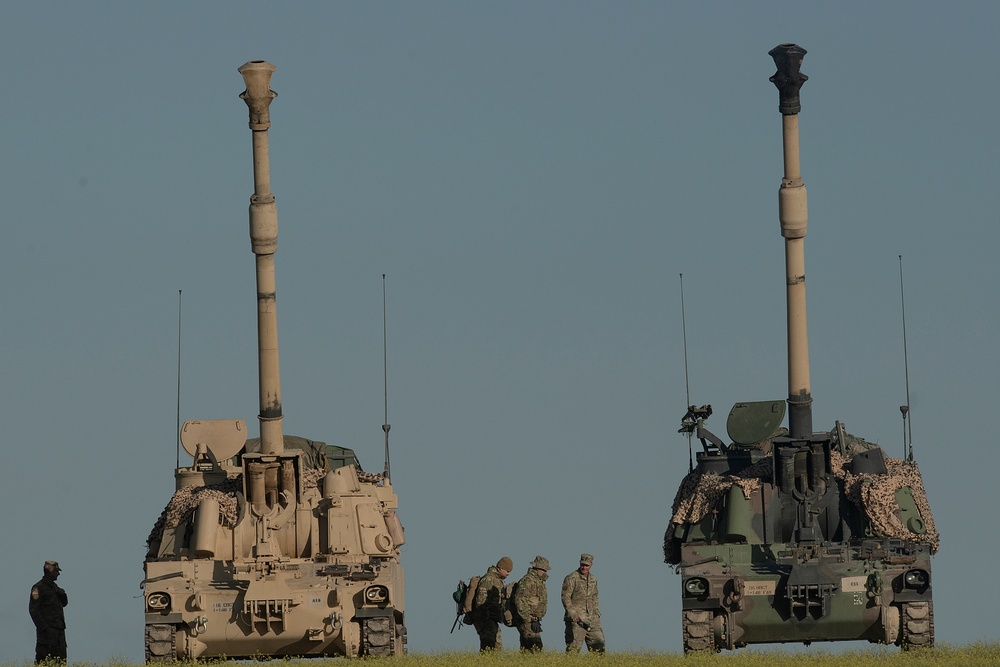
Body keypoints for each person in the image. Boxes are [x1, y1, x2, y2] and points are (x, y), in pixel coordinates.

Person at [561, 553, 605, 653]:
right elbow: (565, 597)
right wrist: (572, 613)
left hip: (592, 619)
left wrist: (596, 612)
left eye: (586, 565)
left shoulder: (593, 579)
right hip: (577, 620)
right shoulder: (572, 578)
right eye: (582, 565)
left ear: (591, 566)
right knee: (573, 650)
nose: (583, 567)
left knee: (599, 649)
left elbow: (594, 596)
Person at [29, 561, 68, 664]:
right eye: (56, 571)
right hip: (47, 633)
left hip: (59, 632)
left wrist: (63, 594)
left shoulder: (56, 588)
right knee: (43, 660)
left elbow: (64, 603)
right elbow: (33, 610)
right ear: (50, 570)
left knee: (60, 661)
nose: (58, 574)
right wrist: (44, 628)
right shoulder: (38, 588)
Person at [473, 556, 512, 651]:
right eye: (507, 571)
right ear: (501, 568)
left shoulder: (497, 580)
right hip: (485, 618)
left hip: (492, 619)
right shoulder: (489, 579)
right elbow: (480, 601)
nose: (508, 574)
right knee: (489, 645)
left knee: (496, 646)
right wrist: (486, 619)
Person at [513, 555, 550, 652]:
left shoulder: (539, 582)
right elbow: (520, 601)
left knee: (527, 650)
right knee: (536, 646)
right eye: (543, 570)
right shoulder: (528, 581)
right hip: (527, 620)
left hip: (534, 621)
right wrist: (529, 619)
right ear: (536, 568)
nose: (545, 572)